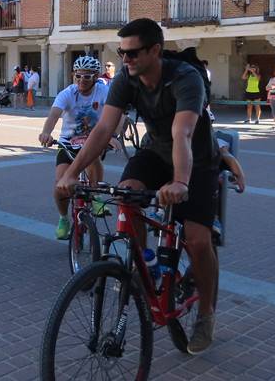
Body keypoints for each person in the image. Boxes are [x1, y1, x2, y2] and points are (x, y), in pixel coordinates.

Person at [58, 18, 221, 355]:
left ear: (155, 50)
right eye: (121, 53)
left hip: (197, 159)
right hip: (154, 153)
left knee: (197, 238)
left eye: (132, 53)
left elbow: (184, 133)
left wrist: (179, 182)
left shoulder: (185, 78)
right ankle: (144, 268)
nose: (126, 59)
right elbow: (103, 129)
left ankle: (205, 313)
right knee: (126, 192)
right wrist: (71, 174)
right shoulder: (126, 78)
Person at [38, 55, 111, 240]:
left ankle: (95, 197)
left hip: (92, 141)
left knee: (92, 156)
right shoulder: (67, 93)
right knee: (60, 185)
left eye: (87, 77)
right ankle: (63, 219)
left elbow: (115, 114)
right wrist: (46, 132)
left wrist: (113, 136)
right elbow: (54, 115)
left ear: (95, 77)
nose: (81, 80)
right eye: (78, 76)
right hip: (68, 143)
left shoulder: (103, 91)